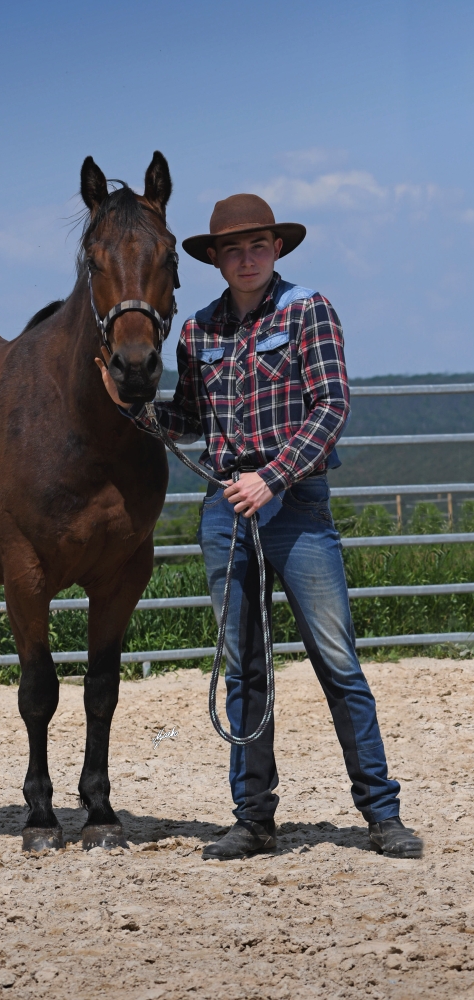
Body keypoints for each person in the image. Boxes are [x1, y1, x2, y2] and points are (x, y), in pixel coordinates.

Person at [96, 193, 422, 860]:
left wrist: (273, 476)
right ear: (214, 261)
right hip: (225, 510)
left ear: (276, 249)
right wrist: (131, 408)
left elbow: (332, 406)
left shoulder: (308, 311)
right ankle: (253, 818)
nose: (247, 258)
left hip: (294, 507)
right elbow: (187, 420)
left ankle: (380, 812)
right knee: (243, 670)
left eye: (258, 245)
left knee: (338, 662)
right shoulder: (196, 333)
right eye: (233, 249)